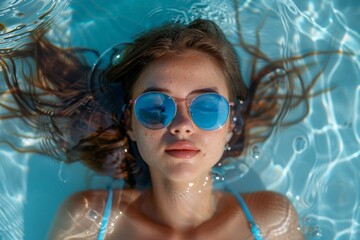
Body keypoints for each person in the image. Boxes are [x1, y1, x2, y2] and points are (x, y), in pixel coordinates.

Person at [0, 19, 307, 239]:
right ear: (130, 124)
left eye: (207, 108)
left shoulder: (269, 219)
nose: (183, 126)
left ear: (230, 125)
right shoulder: (90, 220)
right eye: (156, 108)